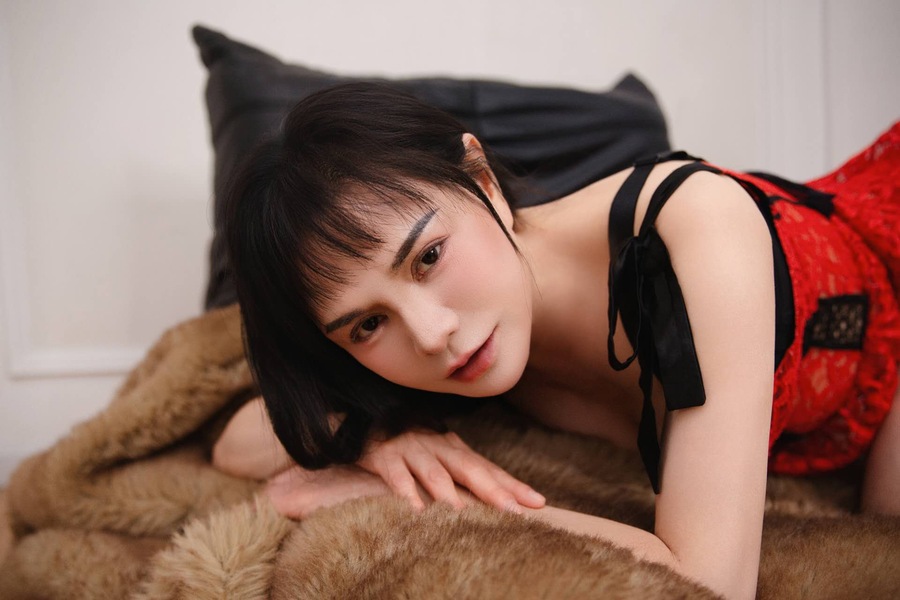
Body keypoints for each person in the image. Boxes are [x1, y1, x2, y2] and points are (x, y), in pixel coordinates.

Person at [212, 82, 900, 598]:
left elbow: (712, 584)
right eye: (368, 324)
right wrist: (377, 442)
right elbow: (239, 440)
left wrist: (402, 499)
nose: (431, 334)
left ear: (482, 180)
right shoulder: (451, 344)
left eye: (428, 257)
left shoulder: (696, 232)